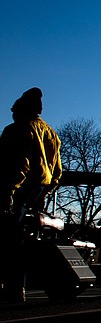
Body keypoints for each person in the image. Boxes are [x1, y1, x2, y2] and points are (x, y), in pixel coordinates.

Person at [0, 87, 62, 303]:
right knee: (24, 240)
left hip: (18, 189)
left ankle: (13, 288)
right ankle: (18, 287)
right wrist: (48, 190)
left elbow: (18, 165)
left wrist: (8, 191)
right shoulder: (51, 133)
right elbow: (57, 171)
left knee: (9, 240)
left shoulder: (17, 130)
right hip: (39, 190)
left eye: (14, 109)